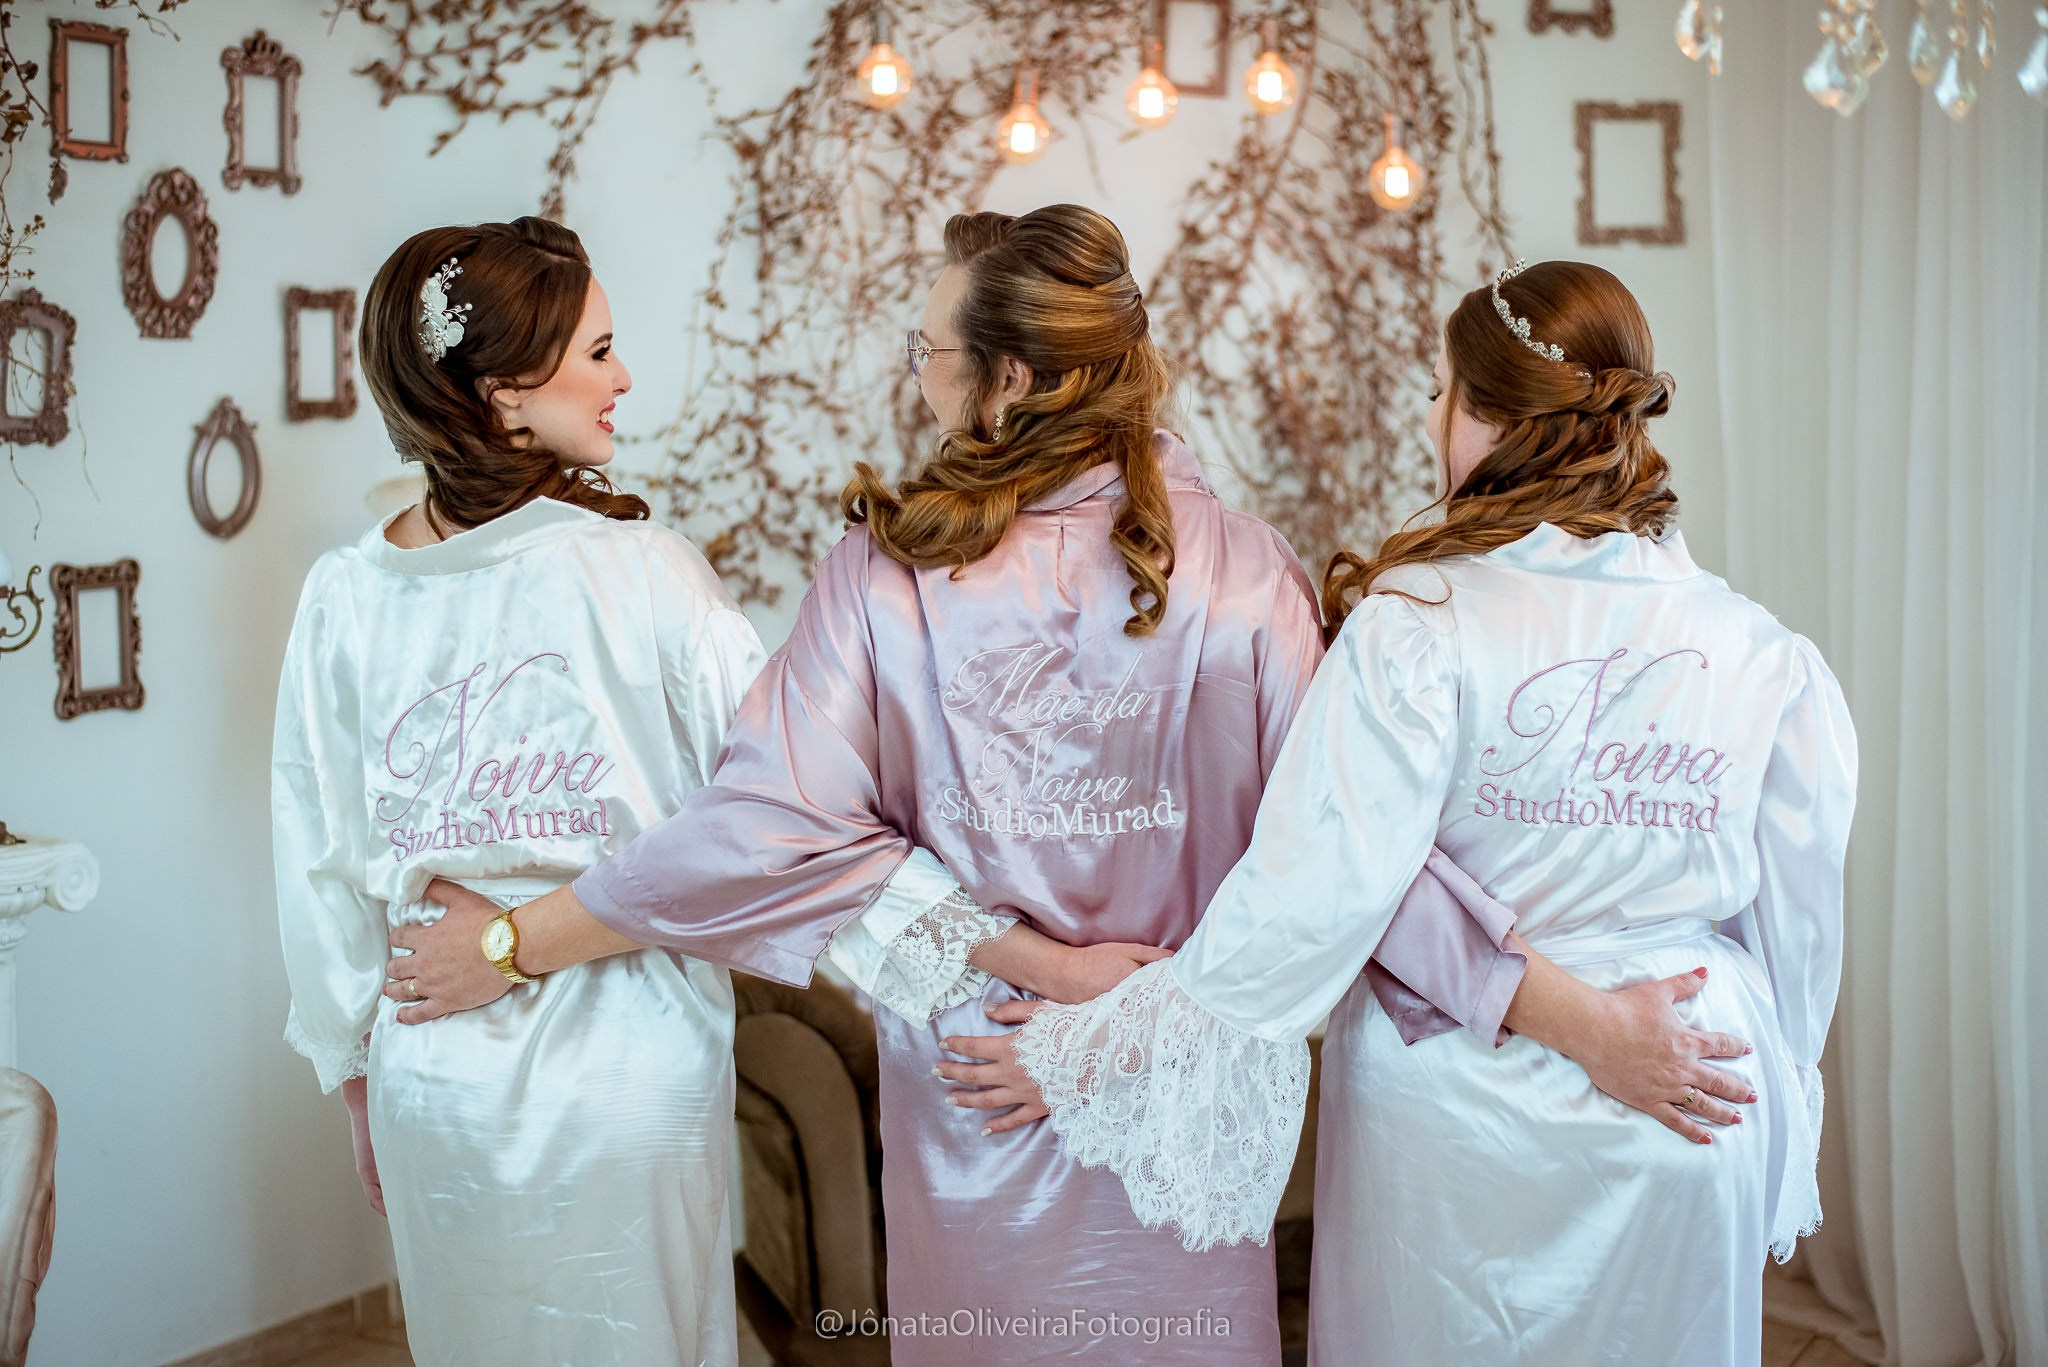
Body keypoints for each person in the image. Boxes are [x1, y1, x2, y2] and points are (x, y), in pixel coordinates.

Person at [385, 205, 1559, 1365]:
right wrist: (1557, 1012)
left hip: (978, 1101)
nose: (918, 380)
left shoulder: (886, 576)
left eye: (928, 353)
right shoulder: (1248, 574)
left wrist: (514, 942)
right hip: (1168, 1097)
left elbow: (767, 823)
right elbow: (1350, 857)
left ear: (1006, 379)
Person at [985, 260, 1857, 1367]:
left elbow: (1317, 893)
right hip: (1690, 1087)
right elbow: (1799, 932)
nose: (1428, 414)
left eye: (1443, 392)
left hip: (1463, 1122)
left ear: (1484, 417)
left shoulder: (1422, 624)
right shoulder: (1760, 652)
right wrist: (1778, 1081)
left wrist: (1097, 1043)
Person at [274, 216, 976, 1366]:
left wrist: (357, 1078)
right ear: (501, 388)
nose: (624, 376)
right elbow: (786, 806)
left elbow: (316, 850)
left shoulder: (344, 591)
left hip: (434, 1071)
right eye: (598, 350)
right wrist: (966, 958)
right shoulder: (641, 570)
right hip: (619, 1070)